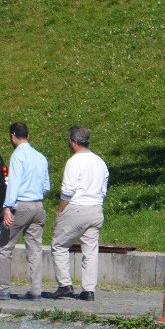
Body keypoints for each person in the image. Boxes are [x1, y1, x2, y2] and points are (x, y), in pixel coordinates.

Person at [0, 122, 51, 301]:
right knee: (34, 249)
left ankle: (1, 288)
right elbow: (46, 186)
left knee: (5, 246)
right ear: (27, 135)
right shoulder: (40, 157)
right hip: (38, 207)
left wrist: (7, 208)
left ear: (13, 136)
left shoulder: (18, 156)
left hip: (21, 206)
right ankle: (36, 290)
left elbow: (13, 184)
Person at [50, 126, 109, 301]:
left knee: (59, 245)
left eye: (69, 141)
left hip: (76, 208)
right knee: (90, 250)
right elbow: (103, 189)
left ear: (74, 142)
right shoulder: (100, 161)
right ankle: (89, 290)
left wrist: (61, 209)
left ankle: (65, 284)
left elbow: (68, 190)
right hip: (96, 209)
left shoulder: (74, 162)